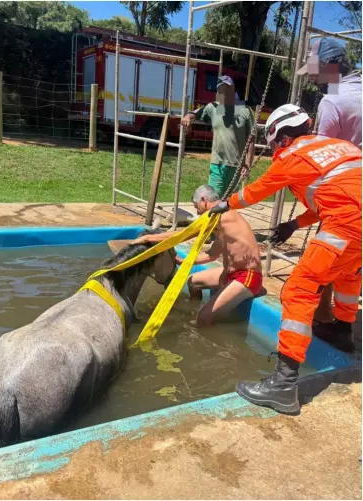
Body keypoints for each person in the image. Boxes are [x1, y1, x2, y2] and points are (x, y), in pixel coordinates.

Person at [210, 103, 361, 414]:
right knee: (348, 276)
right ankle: (342, 332)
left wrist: (226, 204)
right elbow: (335, 195)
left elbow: (255, 192)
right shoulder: (341, 146)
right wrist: (294, 224)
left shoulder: (292, 157)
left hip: (347, 223)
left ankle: (283, 385)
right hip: (354, 222)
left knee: (298, 289)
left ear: (281, 137)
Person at [295, 37, 362, 329]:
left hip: (344, 195)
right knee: (353, 264)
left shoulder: (333, 100)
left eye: (313, 69)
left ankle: (322, 319)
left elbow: (323, 157)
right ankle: (343, 325)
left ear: (329, 66)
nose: (310, 75)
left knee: (324, 260)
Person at [132, 185, 263, 326]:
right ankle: (193, 310)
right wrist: (184, 260)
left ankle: (203, 324)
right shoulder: (220, 225)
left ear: (204, 200)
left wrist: (148, 238)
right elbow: (211, 255)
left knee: (203, 318)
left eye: (196, 206)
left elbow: (184, 235)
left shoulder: (222, 215)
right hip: (229, 273)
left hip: (248, 276)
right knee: (193, 282)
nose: (196, 211)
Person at [182, 75, 256, 198]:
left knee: (230, 203)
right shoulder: (214, 108)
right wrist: (188, 117)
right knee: (213, 199)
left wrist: (247, 164)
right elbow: (196, 113)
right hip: (217, 164)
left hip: (237, 166)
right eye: (221, 90)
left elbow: (251, 139)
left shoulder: (244, 110)